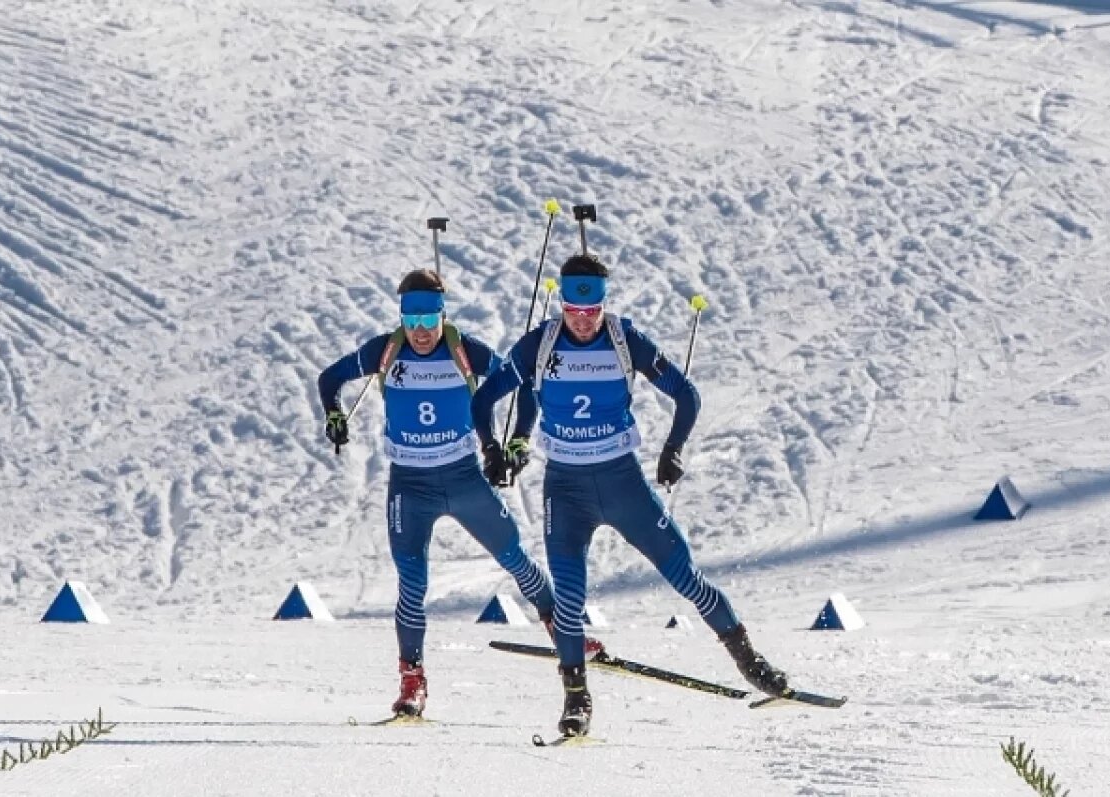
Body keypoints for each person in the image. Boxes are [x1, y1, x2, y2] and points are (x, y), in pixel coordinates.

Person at [471, 253, 789, 737]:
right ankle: (576, 699)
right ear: (561, 305)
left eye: (591, 310)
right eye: (574, 312)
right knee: (569, 599)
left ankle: (751, 663)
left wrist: (673, 450)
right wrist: (492, 447)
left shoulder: (626, 340)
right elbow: (484, 397)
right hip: (566, 491)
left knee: (686, 577)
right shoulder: (539, 343)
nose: (582, 321)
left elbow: (687, 395)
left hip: (624, 484)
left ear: (603, 303)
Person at [317, 268, 600, 718]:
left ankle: (562, 631)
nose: (422, 329)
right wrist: (334, 415)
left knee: (516, 560)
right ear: (401, 318)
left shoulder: (464, 349)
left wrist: (518, 440)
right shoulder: (385, 351)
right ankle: (413, 683)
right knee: (412, 585)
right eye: (412, 318)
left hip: (463, 478)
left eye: (430, 317)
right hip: (409, 486)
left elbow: (524, 386)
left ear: (442, 314)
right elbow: (328, 379)